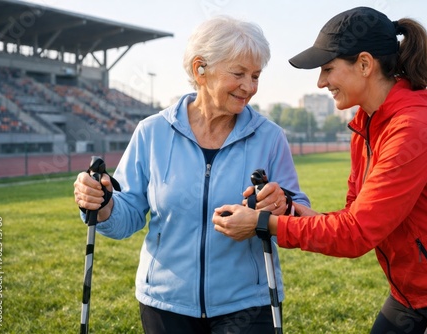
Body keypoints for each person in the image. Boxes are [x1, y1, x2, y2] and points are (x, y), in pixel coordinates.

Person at [213, 7, 427, 334]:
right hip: (411, 292)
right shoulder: (366, 128)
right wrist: (287, 211)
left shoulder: (413, 128)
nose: (320, 82)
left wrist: (265, 224)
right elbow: (351, 217)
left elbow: (356, 235)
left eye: (328, 68)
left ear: (365, 64)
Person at [73, 16, 309, 334]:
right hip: (165, 304)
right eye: (239, 74)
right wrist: (102, 205)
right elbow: (125, 216)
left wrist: (279, 207)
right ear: (200, 68)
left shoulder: (270, 137)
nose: (250, 87)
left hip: (247, 306)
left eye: (255, 76)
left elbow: (297, 214)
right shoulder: (151, 132)